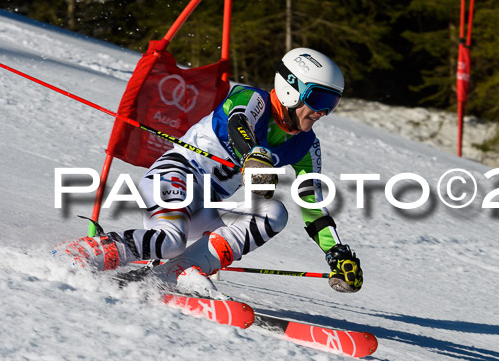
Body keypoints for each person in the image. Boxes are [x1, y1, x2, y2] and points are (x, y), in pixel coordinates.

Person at [60, 47, 363, 296]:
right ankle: (84, 253)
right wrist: (252, 156)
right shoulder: (252, 99)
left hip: (209, 203)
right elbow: (238, 123)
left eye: (331, 104)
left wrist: (337, 253)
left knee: (273, 212)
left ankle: (172, 273)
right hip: (176, 175)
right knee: (169, 241)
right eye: (318, 99)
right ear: (291, 88)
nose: (322, 112)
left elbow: (313, 206)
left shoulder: (306, 146)